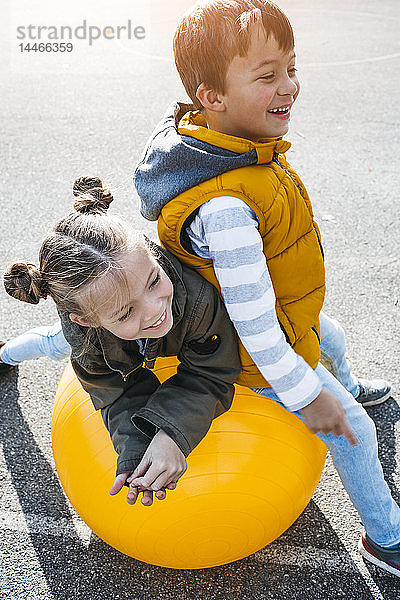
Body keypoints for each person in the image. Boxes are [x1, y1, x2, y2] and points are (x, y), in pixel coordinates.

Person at [133, 0, 400, 576]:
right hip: (252, 350)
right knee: (353, 427)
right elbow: (256, 334)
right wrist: (311, 397)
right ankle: (386, 536)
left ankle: (349, 377)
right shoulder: (226, 208)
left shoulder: (225, 144)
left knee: (330, 333)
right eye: (268, 75)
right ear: (211, 97)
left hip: (288, 315)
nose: (291, 86)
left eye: (291, 68)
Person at [3, 176, 241, 507]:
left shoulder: (196, 301)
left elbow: (212, 372)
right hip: (95, 339)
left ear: (150, 256)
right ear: (87, 320)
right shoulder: (84, 333)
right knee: (50, 343)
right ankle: (6, 355)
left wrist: (171, 433)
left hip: (138, 335)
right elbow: (111, 388)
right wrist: (136, 450)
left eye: (154, 281)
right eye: (126, 311)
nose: (156, 309)